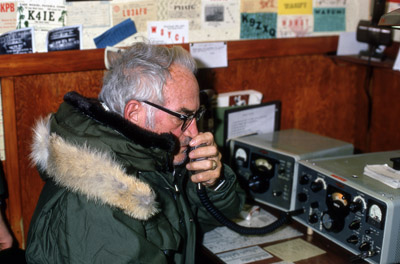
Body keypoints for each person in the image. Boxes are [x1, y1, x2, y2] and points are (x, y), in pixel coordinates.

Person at [26, 42, 245, 263]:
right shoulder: (96, 198)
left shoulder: (153, 156)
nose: (194, 131)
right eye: (183, 117)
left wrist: (214, 184)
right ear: (135, 113)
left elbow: (203, 221)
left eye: (196, 116)